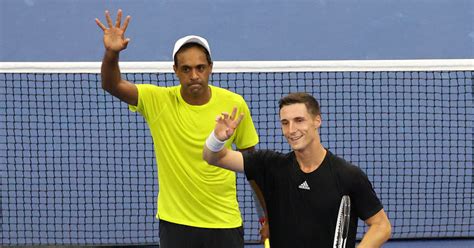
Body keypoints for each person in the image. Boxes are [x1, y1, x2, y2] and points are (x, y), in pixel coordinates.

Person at [95, 9, 267, 248]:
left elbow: (254, 166)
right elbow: (111, 84)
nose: (194, 75)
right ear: (175, 70)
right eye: (186, 69)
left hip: (224, 222)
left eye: (200, 67)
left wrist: (266, 216)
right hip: (176, 225)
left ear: (210, 67)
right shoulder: (158, 101)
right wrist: (111, 53)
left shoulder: (234, 104)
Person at [203, 92, 392, 248]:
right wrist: (217, 138)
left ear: (317, 120)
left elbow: (381, 225)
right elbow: (212, 157)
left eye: (299, 120)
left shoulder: (348, 175)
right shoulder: (269, 165)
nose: (291, 129)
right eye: (285, 123)